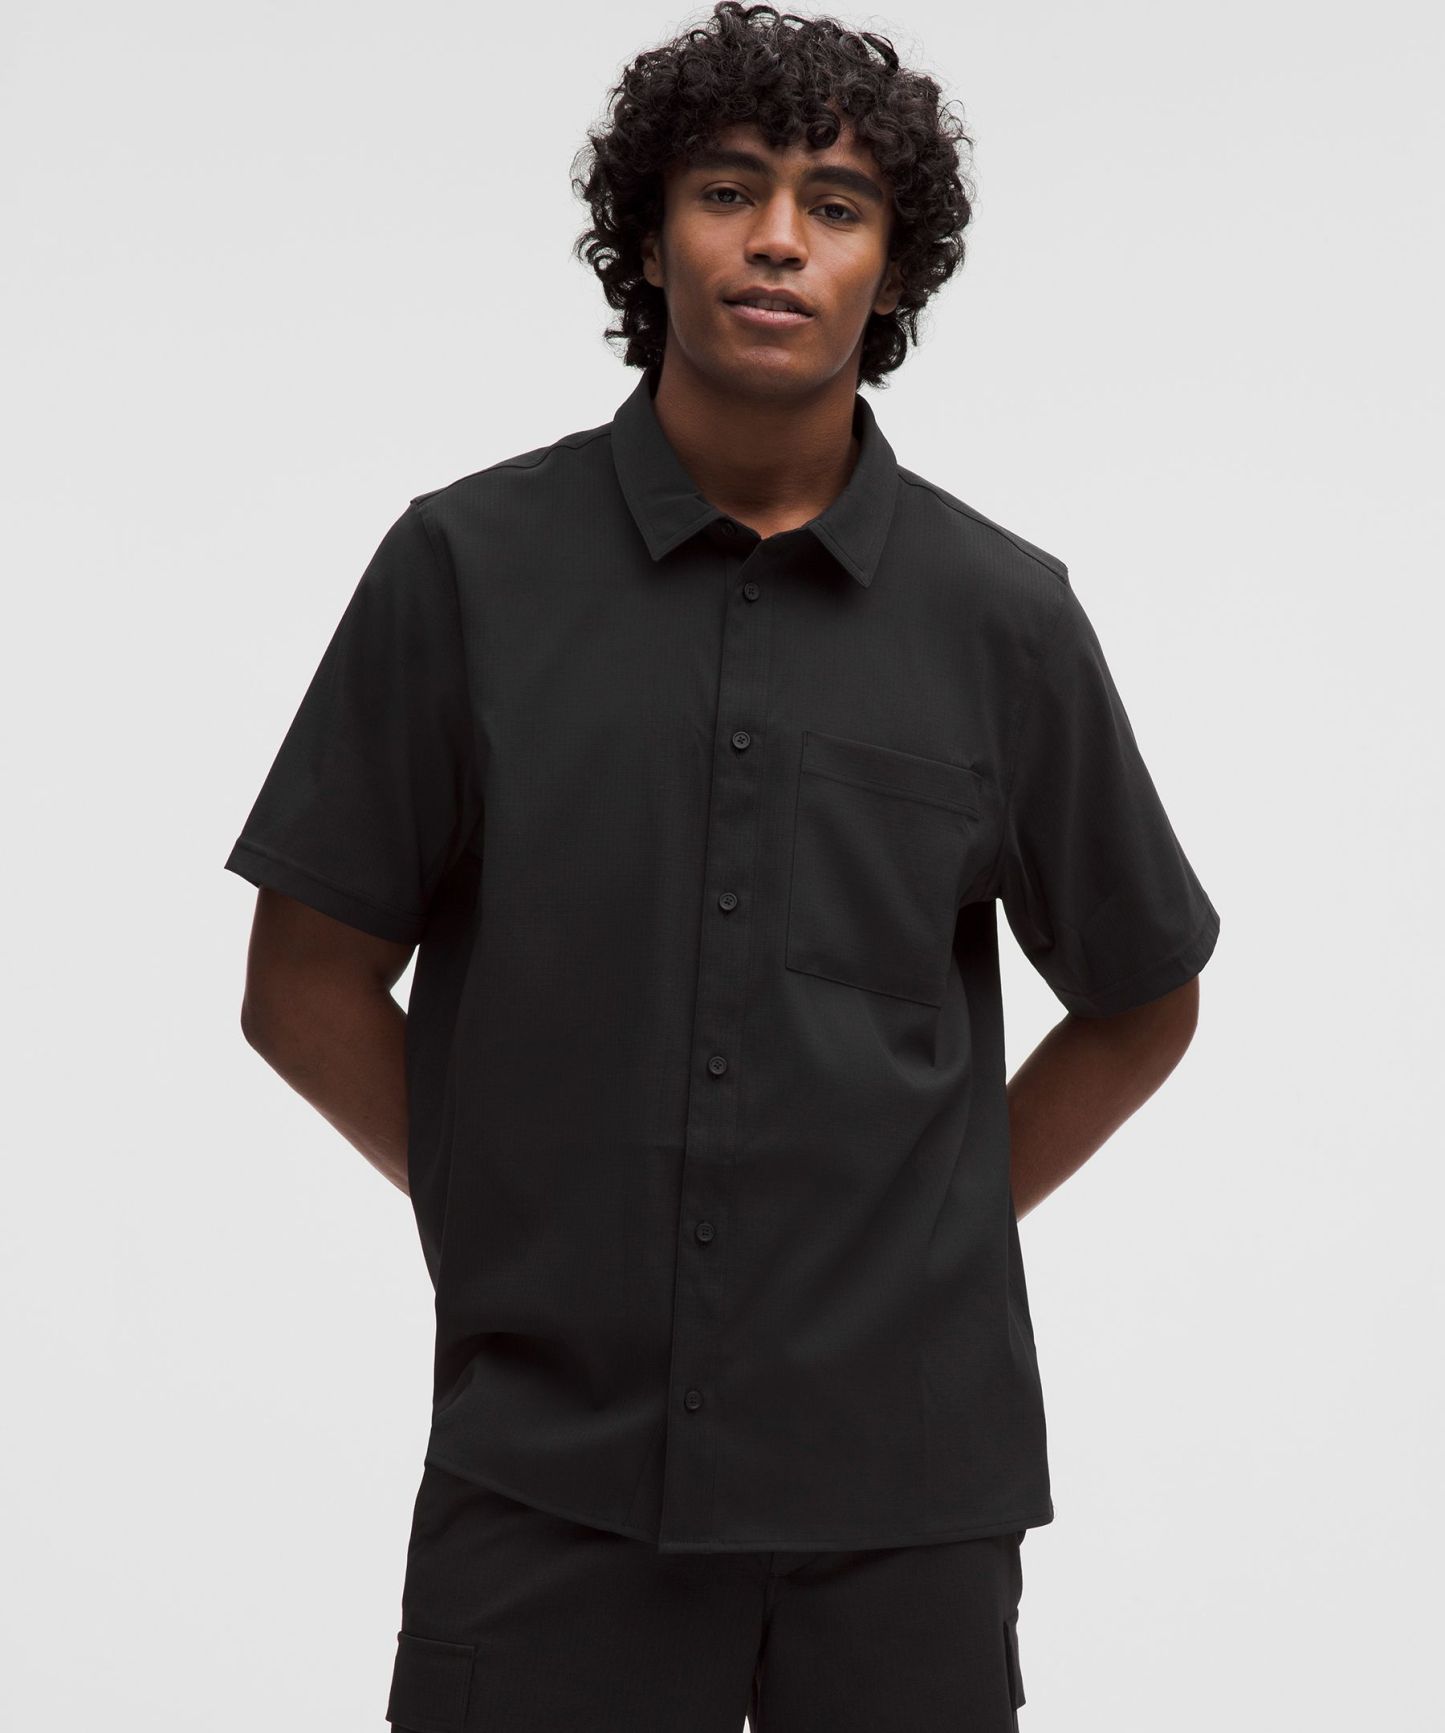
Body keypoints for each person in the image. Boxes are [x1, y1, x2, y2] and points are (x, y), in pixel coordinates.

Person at [223, 5, 1220, 1728]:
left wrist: (920, 1237)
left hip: (906, 1493)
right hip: (548, 1480)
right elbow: (301, 982)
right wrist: (512, 1214)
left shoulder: (1002, 618)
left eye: (835, 204)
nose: (776, 238)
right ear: (647, 236)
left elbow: (1143, 995)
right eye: (726, 188)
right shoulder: (465, 569)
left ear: (890, 271)